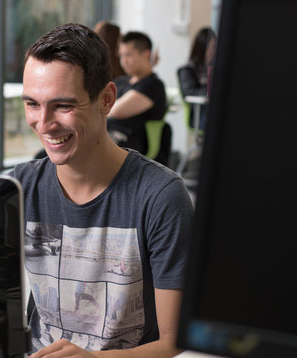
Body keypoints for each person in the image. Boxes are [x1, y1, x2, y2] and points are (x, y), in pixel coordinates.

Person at [13, 23, 193, 357]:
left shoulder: (161, 197)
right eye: (32, 104)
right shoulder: (19, 188)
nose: (44, 123)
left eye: (63, 106)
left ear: (106, 99)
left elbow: (174, 340)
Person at [107, 31, 168, 159]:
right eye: (121, 56)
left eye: (128, 55)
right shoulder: (120, 81)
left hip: (130, 141)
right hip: (108, 134)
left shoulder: (153, 85)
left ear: (146, 54)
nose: (123, 61)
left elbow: (116, 110)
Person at [177, 27, 217, 130]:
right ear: (203, 47)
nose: (214, 51)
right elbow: (189, 92)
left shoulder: (215, 68)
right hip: (199, 114)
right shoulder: (187, 70)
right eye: (211, 47)